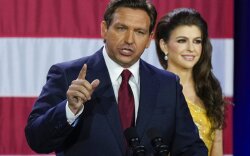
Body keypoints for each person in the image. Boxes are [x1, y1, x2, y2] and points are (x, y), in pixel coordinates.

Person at [25, 0, 208, 155]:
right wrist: (69, 109)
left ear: (149, 38)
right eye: (121, 28)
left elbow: (191, 148)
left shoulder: (168, 85)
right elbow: (36, 140)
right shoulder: (68, 75)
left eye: (139, 32)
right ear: (105, 29)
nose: (129, 40)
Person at [155, 8, 225, 156]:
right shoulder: (152, 89)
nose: (191, 49)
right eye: (182, 41)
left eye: (197, 41)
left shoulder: (210, 91)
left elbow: (216, 150)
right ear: (164, 45)